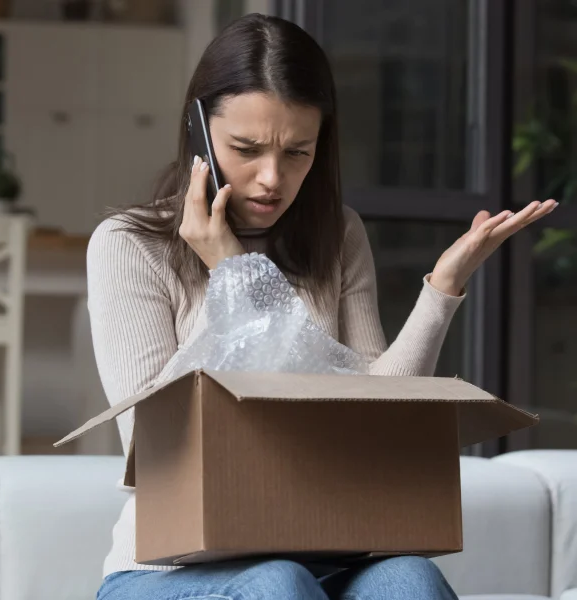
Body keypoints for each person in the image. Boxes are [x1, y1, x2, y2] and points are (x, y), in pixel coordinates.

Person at [90, 13, 557, 600]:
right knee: (277, 584)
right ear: (199, 134)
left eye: (298, 152)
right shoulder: (128, 244)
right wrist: (233, 273)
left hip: (328, 548)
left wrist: (441, 288)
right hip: (169, 568)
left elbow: (376, 408)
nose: (271, 178)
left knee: (411, 579)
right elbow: (156, 441)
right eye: (246, 148)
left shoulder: (338, 236)